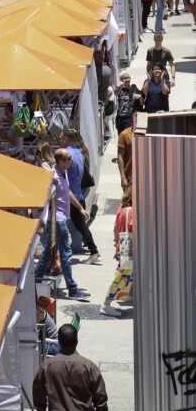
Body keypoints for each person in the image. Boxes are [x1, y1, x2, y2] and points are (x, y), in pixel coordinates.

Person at [34, 149, 90, 301]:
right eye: (69, 158)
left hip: (62, 219)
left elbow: (68, 192)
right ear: (61, 161)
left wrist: (80, 208)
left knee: (49, 252)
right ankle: (72, 289)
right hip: (57, 221)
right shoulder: (52, 176)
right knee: (66, 254)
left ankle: (36, 279)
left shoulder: (63, 173)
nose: (71, 160)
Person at [33, 323, 109, 411]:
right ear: (76, 341)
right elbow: (100, 399)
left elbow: (38, 396)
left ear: (59, 342)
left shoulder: (47, 367)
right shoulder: (89, 367)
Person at [60, 132, 101, 264]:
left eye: (62, 137)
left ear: (69, 139)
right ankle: (91, 250)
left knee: (77, 226)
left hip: (71, 196)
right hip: (79, 194)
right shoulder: (79, 152)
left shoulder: (66, 154)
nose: (60, 139)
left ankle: (94, 251)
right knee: (79, 225)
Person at [101, 188, 134, 318]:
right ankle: (106, 304)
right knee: (121, 276)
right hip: (128, 243)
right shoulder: (130, 210)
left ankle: (130, 295)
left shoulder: (121, 208)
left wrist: (117, 247)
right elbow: (132, 228)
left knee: (127, 273)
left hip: (123, 242)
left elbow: (115, 227)